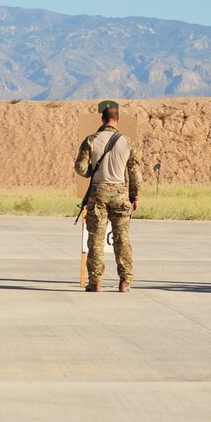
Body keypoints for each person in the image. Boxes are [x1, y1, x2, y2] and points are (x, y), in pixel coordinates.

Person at [74, 100, 142, 293]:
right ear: (117, 120)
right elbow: (135, 172)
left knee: (96, 239)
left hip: (99, 193)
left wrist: (91, 173)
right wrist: (135, 196)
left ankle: (95, 282)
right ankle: (124, 281)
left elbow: (80, 167)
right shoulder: (128, 142)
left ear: (102, 119)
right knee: (122, 239)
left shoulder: (91, 140)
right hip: (121, 194)